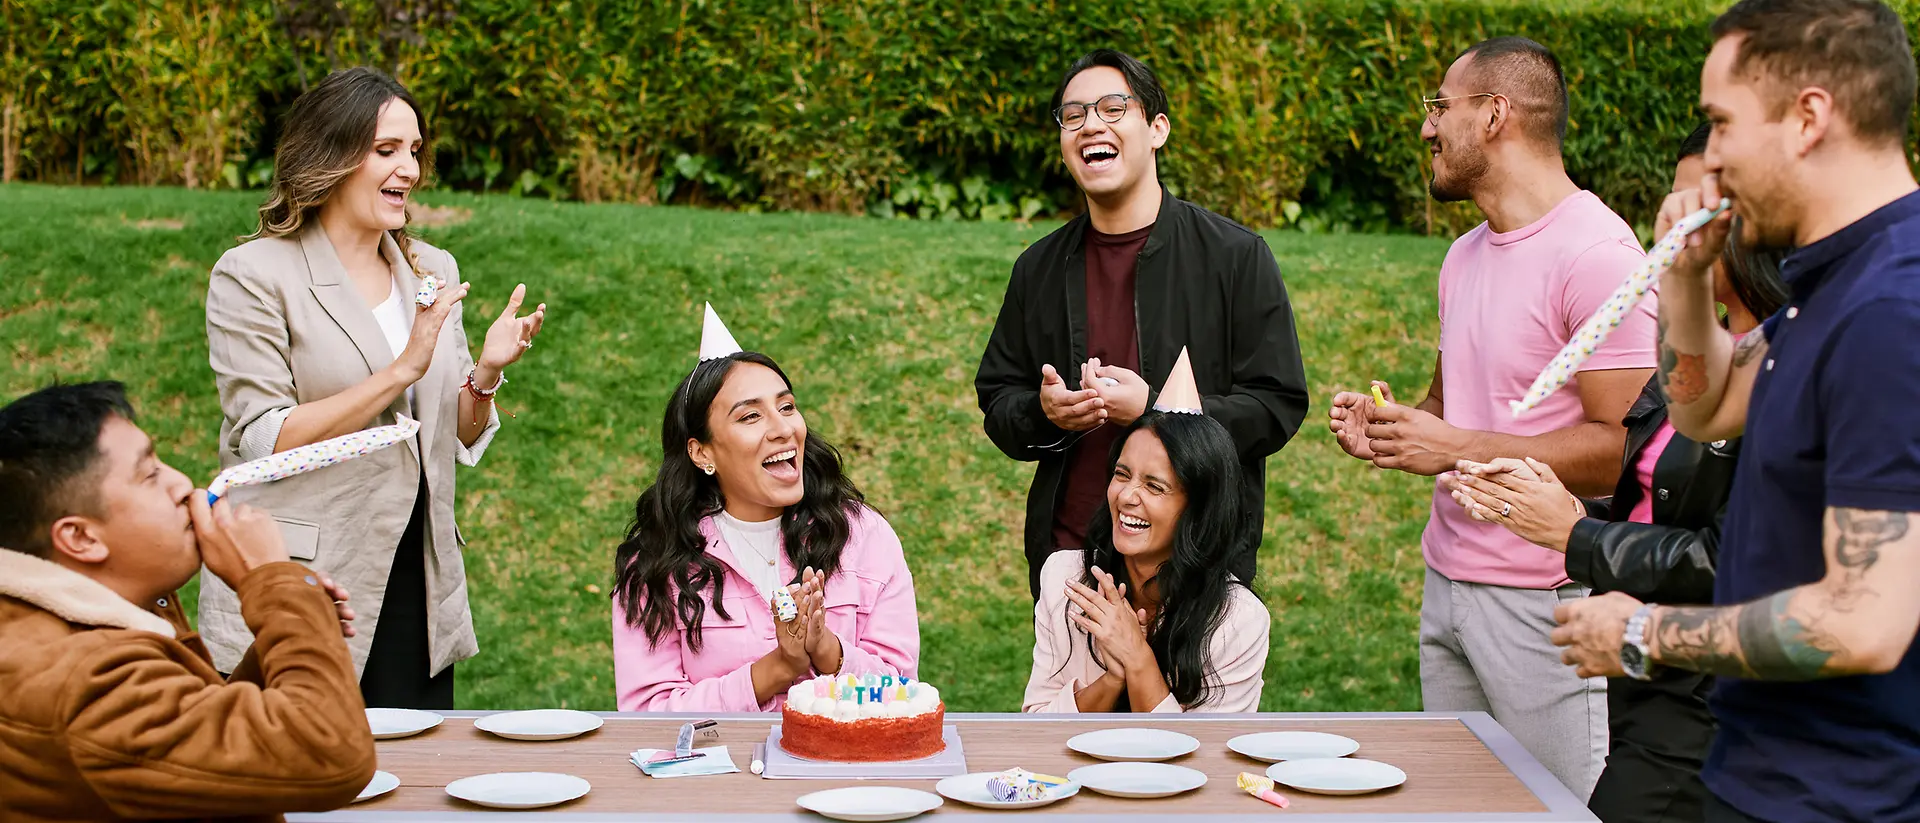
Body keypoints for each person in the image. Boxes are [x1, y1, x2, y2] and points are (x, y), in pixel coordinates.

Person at [1548, 2, 1920, 821]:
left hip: (1841, 798)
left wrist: (1644, 633)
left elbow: (1864, 621)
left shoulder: (1891, 309)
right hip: (1760, 770)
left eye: (1721, 124)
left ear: (1808, 117)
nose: (1710, 158)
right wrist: (1685, 277)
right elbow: (1703, 409)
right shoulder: (1834, 284)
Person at [1327, 36, 1654, 799]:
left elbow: (1628, 450)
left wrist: (1457, 444)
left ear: (1495, 113)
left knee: (1567, 810)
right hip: (1447, 585)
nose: (1427, 127)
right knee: (1460, 811)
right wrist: (1393, 428)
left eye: (1441, 107)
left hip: (1550, 600)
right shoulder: (1464, 255)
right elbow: (1451, 410)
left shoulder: (1599, 255)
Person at [1442, 123, 1789, 823]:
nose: (1671, 219)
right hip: (1646, 701)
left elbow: (1730, 557)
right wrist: (1538, 502)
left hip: (1712, 713)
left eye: (1699, 199)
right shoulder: (1694, 361)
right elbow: (1651, 513)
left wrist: (1573, 536)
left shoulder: (1792, 365)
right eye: (1674, 196)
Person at [202, 67, 546, 710]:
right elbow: (263, 438)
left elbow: (454, 431)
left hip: (417, 574)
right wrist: (397, 371)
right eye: (386, 150)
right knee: (301, 786)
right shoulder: (252, 274)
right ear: (328, 156)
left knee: (413, 785)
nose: (409, 169)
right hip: (308, 579)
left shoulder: (432, 268)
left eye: (414, 151)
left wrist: (488, 374)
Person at [975, 48, 1309, 600]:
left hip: (1196, 570)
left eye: (1112, 107)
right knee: (1066, 693)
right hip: (1070, 563)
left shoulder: (1235, 256)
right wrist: (1045, 412)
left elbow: (1276, 406)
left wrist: (1157, 409)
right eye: (1073, 115)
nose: (1090, 126)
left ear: (1157, 129)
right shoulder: (1038, 268)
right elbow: (998, 400)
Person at [0, 382, 376, 821]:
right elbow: (328, 755)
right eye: (150, 475)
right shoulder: (88, 679)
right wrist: (274, 585)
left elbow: (201, 747)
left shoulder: (61, 633)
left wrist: (287, 629)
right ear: (80, 537)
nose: (181, 483)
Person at [612, 306, 919, 711]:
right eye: (751, 416)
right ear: (702, 452)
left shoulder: (863, 536)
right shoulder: (654, 560)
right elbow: (647, 714)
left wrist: (829, 651)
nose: (782, 429)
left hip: (841, 773)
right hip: (715, 774)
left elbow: (903, 693)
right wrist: (776, 668)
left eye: (787, 407)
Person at [1024, 350, 1270, 713]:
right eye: (1122, 475)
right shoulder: (1064, 579)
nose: (1126, 496)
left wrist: (1138, 659)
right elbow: (1036, 728)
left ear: (1199, 508)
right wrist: (1113, 678)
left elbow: (1204, 759)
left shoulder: (1237, 621)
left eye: (1155, 486)